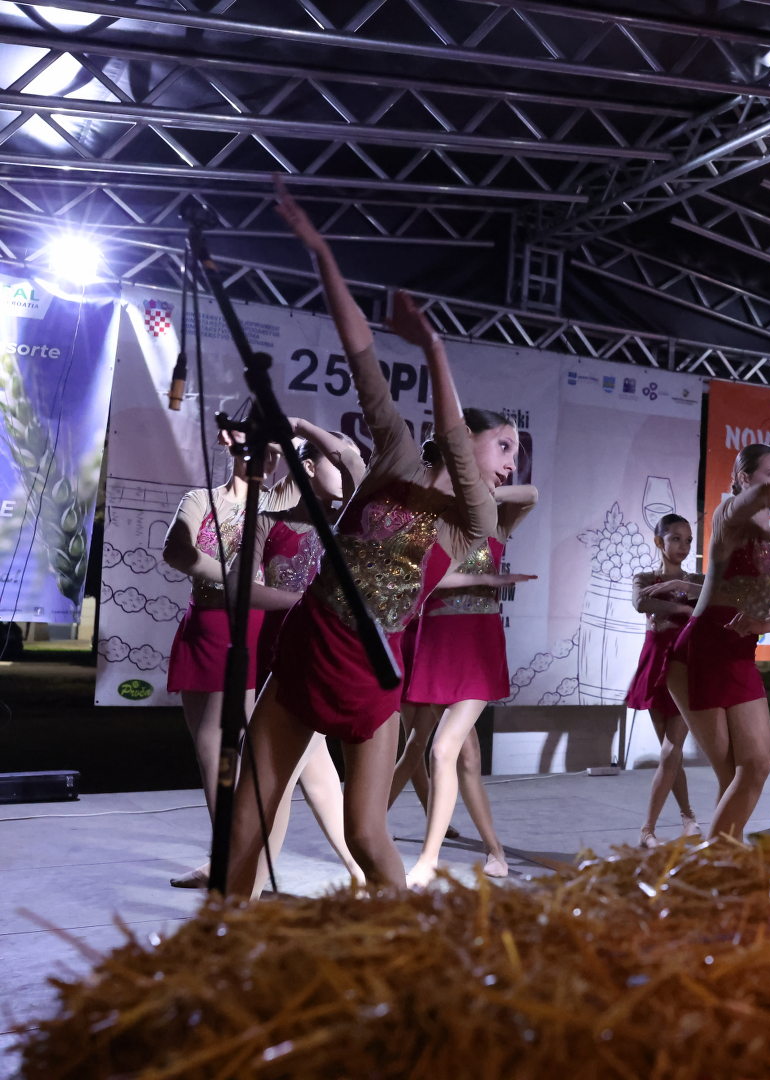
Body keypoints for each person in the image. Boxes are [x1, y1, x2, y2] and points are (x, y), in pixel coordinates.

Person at [224, 181, 503, 896]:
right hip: (309, 645)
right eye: (503, 446)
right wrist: (321, 251)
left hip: (372, 673)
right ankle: (221, 937)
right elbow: (362, 357)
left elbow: (456, 446)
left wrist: (435, 348)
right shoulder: (398, 459)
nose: (510, 463)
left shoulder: (472, 519)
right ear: (470, 439)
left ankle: (398, 944)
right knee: (245, 818)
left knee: (364, 834)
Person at [161, 425, 300, 888]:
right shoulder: (201, 499)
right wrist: (235, 576)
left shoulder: (276, 500)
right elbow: (176, 551)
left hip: (243, 629)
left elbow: (313, 461)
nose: (268, 459)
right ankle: (224, 855)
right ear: (236, 448)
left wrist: (280, 434)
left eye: (273, 453)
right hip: (199, 626)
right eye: (258, 450)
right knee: (206, 751)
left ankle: (232, 859)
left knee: (215, 745)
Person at [394, 450, 537, 888]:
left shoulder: (495, 522)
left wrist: (480, 494)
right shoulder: (433, 523)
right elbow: (421, 580)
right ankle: (495, 850)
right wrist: (484, 580)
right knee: (463, 757)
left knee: (442, 750)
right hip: (437, 644)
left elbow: (531, 494)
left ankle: (428, 859)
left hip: (477, 648)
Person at [666, 444, 770, 840]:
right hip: (701, 650)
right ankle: (722, 851)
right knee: (731, 771)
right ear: (744, 478)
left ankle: (720, 849)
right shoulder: (727, 515)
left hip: (740, 654)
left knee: (756, 766)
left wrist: (764, 623)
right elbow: (762, 497)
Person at [251, 423, 370, 893]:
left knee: (275, 779)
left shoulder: (356, 523)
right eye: (334, 461)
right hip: (276, 655)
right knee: (310, 775)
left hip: (325, 656)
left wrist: (303, 427)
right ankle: (363, 873)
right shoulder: (268, 521)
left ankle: (245, 890)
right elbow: (244, 591)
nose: (346, 467)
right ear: (307, 467)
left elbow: (358, 470)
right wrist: (305, 603)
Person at [629, 513, 705, 846]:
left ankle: (647, 829)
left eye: (688, 540)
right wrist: (682, 610)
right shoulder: (645, 577)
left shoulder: (696, 580)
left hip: (684, 665)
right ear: (659, 541)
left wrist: (682, 593)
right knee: (669, 754)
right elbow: (639, 602)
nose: (683, 546)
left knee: (671, 750)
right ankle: (689, 818)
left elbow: (713, 597)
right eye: (676, 539)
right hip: (654, 663)